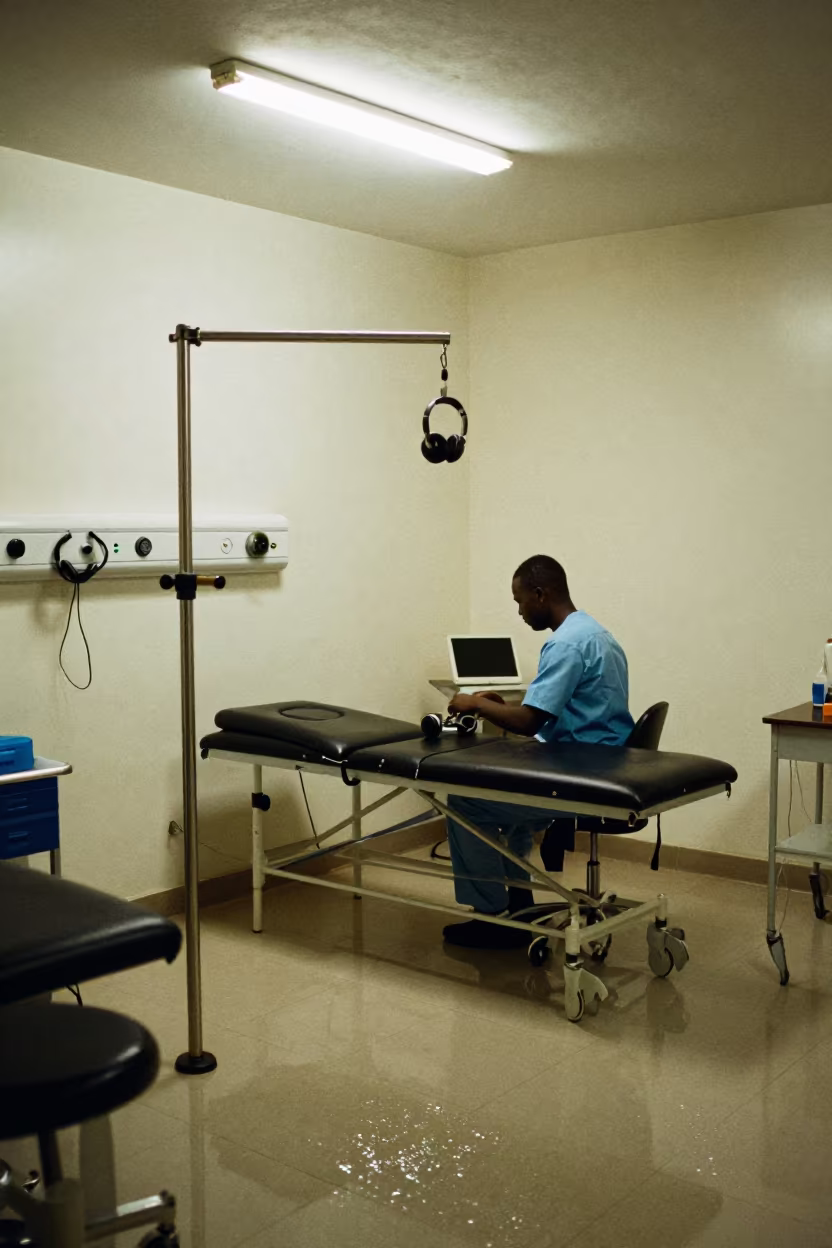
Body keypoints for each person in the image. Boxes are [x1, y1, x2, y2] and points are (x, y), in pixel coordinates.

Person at [442, 554, 634, 949]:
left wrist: (476, 704)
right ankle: (518, 896)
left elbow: (530, 722)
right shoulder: (597, 634)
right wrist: (500, 706)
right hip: (604, 763)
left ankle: (493, 917)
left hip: (580, 776)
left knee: (464, 800)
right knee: (503, 790)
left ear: (541, 595)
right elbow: (555, 711)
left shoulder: (564, 644)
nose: (519, 610)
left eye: (520, 601)